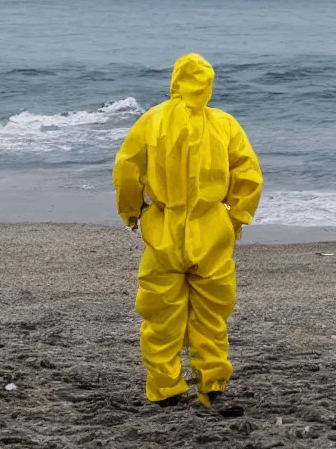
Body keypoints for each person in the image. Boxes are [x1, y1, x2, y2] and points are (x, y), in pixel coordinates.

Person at [113, 53, 263, 412]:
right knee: (210, 314)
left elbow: (126, 170)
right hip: (212, 230)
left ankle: (166, 389)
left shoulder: (152, 120)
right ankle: (212, 385)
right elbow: (248, 175)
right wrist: (235, 216)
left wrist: (133, 213)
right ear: (209, 86)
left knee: (161, 313)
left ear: (175, 81)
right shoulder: (225, 124)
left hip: (164, 230)